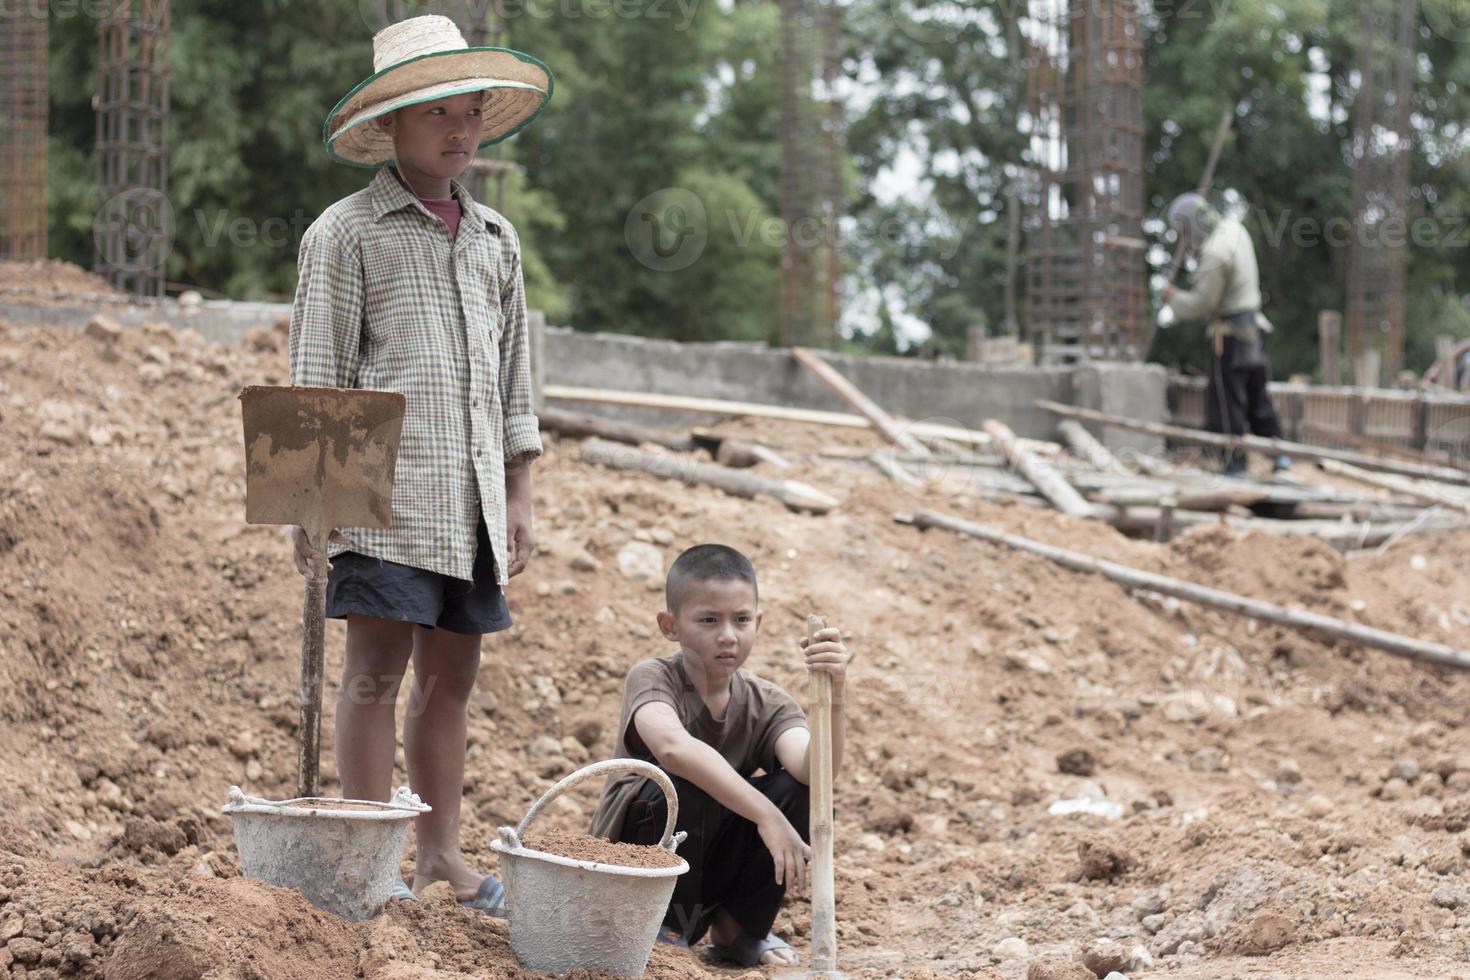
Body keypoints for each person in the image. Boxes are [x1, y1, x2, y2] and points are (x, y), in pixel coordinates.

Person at [286, 14, 553, 913]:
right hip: (383, 502)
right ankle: (367, 864)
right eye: (436, 112)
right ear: (391, 127)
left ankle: (441, 855)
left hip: (471, 503)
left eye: (472, 111)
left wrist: (519, 493)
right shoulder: (348, 234)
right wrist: (310, 508)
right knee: (371, 670)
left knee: (452, 683)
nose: (460, 129)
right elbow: (317, 373)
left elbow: (517, 385)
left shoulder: (496, 243)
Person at [589, 544, 853, 968]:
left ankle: (736, 931)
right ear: (670, 626)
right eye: (709, 620)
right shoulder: (654, 677)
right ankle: (661, 929)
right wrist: (767, 816)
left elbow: (815, 771)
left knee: (796, 788)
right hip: (631, 870)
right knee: (682, 783)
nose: (728, 634)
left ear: (758, 622)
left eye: (741, 619)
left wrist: (836, 695)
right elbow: (674, 750)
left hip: (706, 864)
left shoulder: (767, 701)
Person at [1162, 193, 1290, 476]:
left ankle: (1235, 464)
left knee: (1226, 401)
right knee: (1259, 396)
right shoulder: (1236, 231)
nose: (1184, 238)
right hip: (1255, 329)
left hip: (1229, 336)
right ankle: (1279, 455)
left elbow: (1203, 303)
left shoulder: (1214, 253)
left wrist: (1173, 298)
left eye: (1183, 231)